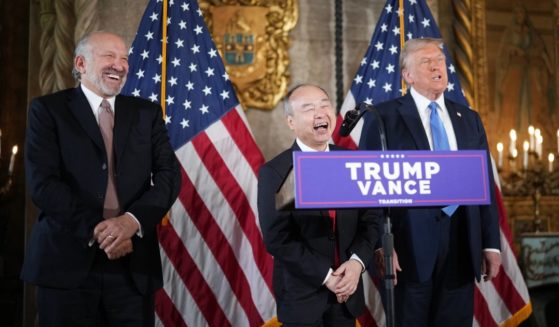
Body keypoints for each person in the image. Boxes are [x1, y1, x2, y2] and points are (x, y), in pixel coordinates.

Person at [21, 31, 181, 326]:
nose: (119, 65)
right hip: (66, 264)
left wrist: (131, 222)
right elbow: (43, 184)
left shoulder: (146, 113)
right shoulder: (48, 110)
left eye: (124, 59)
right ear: (81, 63)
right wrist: (102, 232)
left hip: (132, 268)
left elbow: (169, 175)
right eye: (109, 56)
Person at [359, 38, 502, 327]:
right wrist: (378, 245)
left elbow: (482, 183)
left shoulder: (469, 119)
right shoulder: (383, 117)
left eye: (440, 60)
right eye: (427, 62)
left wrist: (491, 244)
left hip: (462, 244)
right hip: (407, 248)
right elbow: (368, 186)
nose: (438, 66)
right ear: (407, 75)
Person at [257, 84, 381, 326]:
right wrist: (327, 277)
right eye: (308, 108)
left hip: (348, 296)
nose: (320, 113)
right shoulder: (276, 171)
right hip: (302, 299)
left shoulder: (353, 163)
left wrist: (356, 264)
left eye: (325, 105)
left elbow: (371, 220)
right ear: (291, 122)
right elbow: (277, 238)